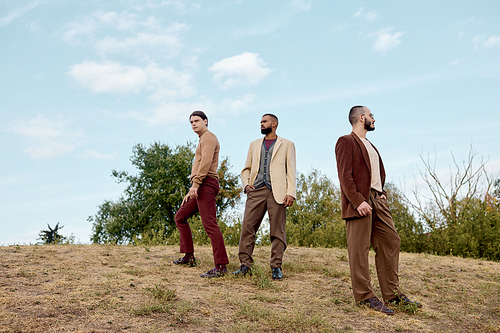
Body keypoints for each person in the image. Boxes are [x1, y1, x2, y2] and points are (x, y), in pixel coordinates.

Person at [335, 106, 422, 315]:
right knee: (359, 248)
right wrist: (358, 201)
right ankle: (365, 296)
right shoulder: (345, 141)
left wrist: (381, 193)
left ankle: (391, 294)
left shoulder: (371, 145)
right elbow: (344, 176)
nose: (374, 119)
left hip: (377, 198)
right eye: (371, 116)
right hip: (360, 200)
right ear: (361, 117)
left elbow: (375, 173)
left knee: (391, 240)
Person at [232, 114, 296, 280]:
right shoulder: (254, 145)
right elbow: (246, 169)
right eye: (260, 122)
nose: (261, 124)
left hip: (279, 193)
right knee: (247, 227)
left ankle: (276, 266)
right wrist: (246, 185)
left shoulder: (287, 144)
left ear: (274, 124)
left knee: (277, 230)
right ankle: (245, 265)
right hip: (256, 190)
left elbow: (291, 171)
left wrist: (291, 193)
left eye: (264, 121)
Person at [173, 111, 229, 278]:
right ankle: (189, 256)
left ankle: (220, 266)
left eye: (197, 121)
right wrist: (193, 187)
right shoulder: (202, 139)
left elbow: (205, 162)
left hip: (205, 184)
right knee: (180, 217)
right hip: (199, 185)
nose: (193, 124)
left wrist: (196, 185)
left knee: (210, 224)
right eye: (191, 122)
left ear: (205, 121)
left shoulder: (209, 137)